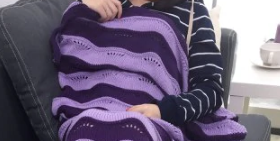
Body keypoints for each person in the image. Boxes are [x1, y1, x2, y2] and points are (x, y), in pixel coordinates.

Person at [79, 0, 224, 124]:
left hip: (151, 125)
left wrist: (164, 111)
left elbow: (210, 88)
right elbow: (70, 58)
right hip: (86, 111)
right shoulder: (96, 2)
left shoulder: (193, 11)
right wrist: (82, 6)